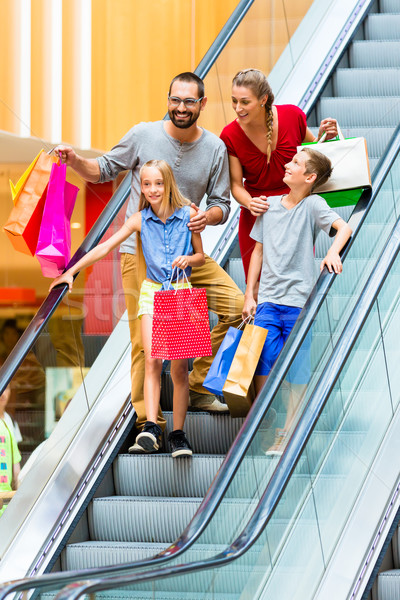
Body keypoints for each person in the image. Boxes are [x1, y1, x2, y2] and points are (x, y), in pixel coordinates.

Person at [55, 72, 244, 448]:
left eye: (189, 102)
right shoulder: (143, 134)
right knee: (146, 345)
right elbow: (104, 169)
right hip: (143, 253)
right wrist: (76, 160)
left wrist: (207, 217)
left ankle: (198, 383)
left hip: (187, 255)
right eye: (175, 99)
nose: (181, 107)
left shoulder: (215, 149)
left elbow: (222, 203)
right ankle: (149, 424)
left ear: (202, 105)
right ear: (168, 98)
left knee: (237, 306)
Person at [50, 159, 206, 458]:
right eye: (146, 184)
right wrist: (71, 271)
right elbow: (104, 248)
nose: (152, 189)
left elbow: (200, 255)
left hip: (181, 293)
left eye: (157, 183)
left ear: (168, 183)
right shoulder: (139, 220)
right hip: (151, 293)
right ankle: (151, 426)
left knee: (179, 370)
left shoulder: (189, 215)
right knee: (151, 360)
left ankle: (178, 435)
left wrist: (189, 260)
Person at [242, 147, 352, 455]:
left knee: (298, 369)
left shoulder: (314, 204)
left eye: (296, 163)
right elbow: (258, 253)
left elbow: (344, 227)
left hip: (299, 303)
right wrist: (249, 294)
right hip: (267, 302)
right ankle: (268, 417)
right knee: (264, 361)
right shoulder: (269, 206)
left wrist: (332, 251)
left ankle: (287, 432)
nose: (288, 166)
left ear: (310, 177)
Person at [220, 68, 339, 278]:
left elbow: (310, 154)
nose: (238, 108)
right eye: (234, 101)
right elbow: (236, 185)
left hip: (295, 212)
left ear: (263, 99)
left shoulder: (292, 115)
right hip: (258, 215)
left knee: (297, 278)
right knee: (256, 285)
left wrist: (322, 137)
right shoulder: (229, 135)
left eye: (244, 102)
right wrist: (249, 203)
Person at [0, 384, 21, 516]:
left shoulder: (9, 424)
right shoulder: (7, 427)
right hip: (6, 506)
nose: (3, 393)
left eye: (6, 387)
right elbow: (17, 473)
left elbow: (16, 471)